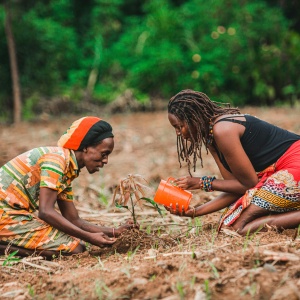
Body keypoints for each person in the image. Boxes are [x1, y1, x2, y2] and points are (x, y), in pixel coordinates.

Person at [166, 89, 300, 235]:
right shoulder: (211, 138)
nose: (178, 133)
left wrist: (200, 183)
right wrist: (194, 212)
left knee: (236, 227)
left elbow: (249, 184)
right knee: (228, 223)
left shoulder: (223, 130)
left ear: (193, 118)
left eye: (179, 126)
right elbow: (237, 188)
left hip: (295, 165)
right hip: (282, 170)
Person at [0, 116, 137, 258]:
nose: (105, 161)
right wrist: (89, 237)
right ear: (85, 147)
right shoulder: (57, 161)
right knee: (75, 249)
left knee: (75, 245)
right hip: (5, 213)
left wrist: (115, 231)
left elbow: (73, 219)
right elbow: (45, 212)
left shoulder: (67, 168)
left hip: (11, 213)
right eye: (103, 154)